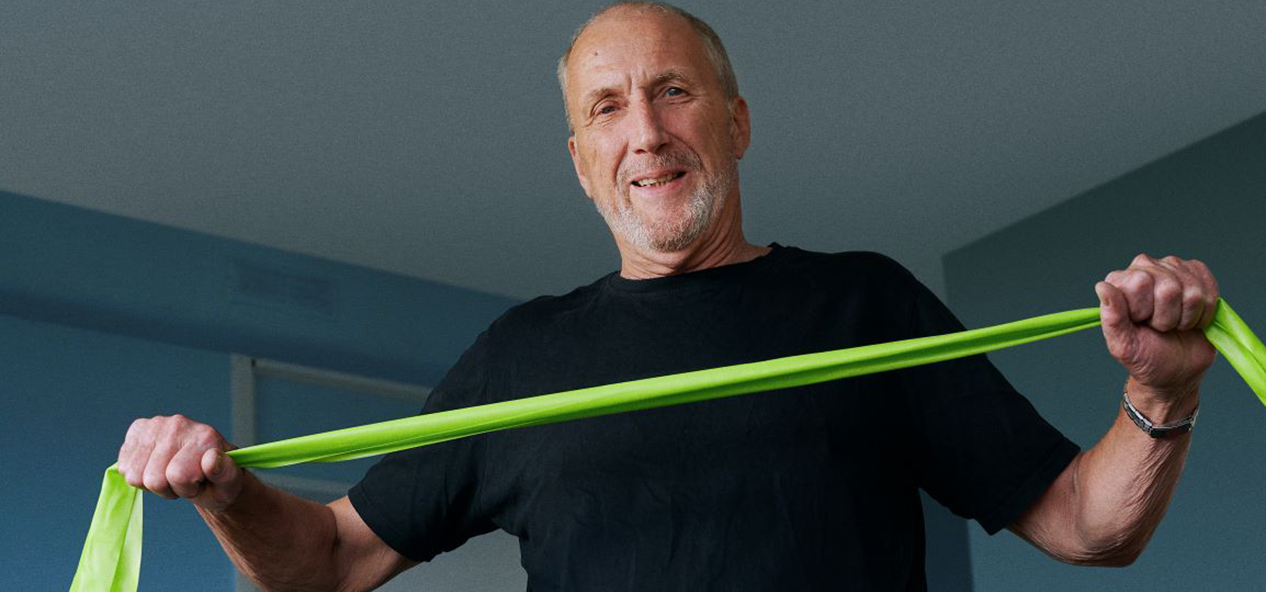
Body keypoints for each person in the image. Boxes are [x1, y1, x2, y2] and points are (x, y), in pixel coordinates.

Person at [116, 3, 1220, 590]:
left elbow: (1087, 525)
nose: (643, 130)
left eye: (672, 91)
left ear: (734, 124)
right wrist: (225, 490)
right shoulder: (521, 353)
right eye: (607, 109)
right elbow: (329, 563)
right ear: (582, 159)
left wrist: (1160, 393)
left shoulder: (865, 307)